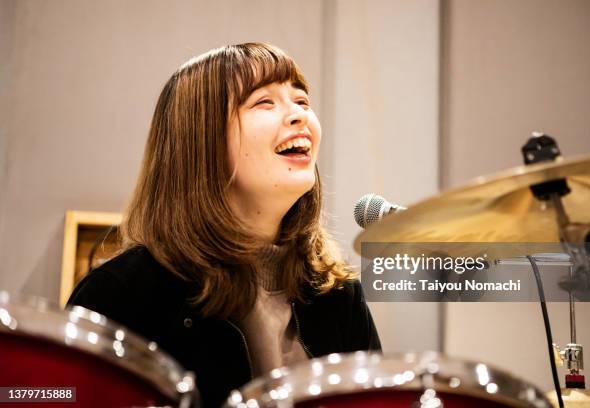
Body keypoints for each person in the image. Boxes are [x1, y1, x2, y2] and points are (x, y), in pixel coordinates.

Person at [68, 42, 381, 408]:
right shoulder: (120, 294)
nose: (299, 116)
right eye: (265, 102)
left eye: (302, 101)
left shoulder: (338, 296)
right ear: (201, 139)